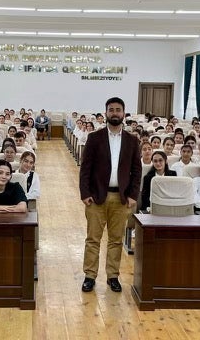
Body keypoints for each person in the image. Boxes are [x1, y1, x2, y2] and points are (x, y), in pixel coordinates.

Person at [79, 97, 141, 293]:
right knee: (93, 239)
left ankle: (113, 276)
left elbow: (136, 170)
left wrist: (132, 195)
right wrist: (85, 193)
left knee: (116, 239)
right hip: (97, 197)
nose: (115, 113)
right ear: (106, 113)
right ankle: (89, 275)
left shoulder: (132, 140)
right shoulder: (95, 138)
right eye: (111, 110)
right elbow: (85, 168)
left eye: (118, 110)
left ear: (124, 113)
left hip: (121, 198)